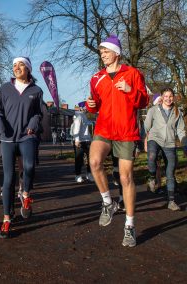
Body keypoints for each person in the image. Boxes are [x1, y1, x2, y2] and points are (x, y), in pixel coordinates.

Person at [86, 35, 149, 247]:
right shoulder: (96, 78)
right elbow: (95, 107)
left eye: (106, 50)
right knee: (94, 162)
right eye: (101, 51)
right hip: (104, 128)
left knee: (126, 178)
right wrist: (91, 105)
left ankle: (129, 226)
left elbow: (144, 101)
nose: (102, 54)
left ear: (117, 52)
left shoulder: (132, 73)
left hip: (126, 131)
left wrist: (130, 91)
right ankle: (107, 202)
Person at [0, 56, 44, 239]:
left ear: (28, 69)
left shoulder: (36, 90)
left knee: (29, 166)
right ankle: (7, 219)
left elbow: (39, 113)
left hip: (27, 136)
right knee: (8, 179)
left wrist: (33, 123)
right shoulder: (5, 88)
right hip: (7, 138)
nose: (16, 67)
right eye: (14, 65)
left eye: (20, 64)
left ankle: (26, 194)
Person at [144, 88, 187, 211]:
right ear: (162, 97)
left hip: (169, 143)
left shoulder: (177, 111)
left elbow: (180, 130)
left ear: (174, 97)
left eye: (171, 96)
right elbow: (147, 126)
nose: (168, 98)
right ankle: (152, 178)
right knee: (152, 156)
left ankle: (171, 201)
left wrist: (185, 145)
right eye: (166, 96)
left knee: (170, 172)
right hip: (155, 138)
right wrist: (146, 140)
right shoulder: (153, 110)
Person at [71, 102, 94, 183]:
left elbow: (87, 130)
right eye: (86, 107)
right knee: (79, 159)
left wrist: (90, 139)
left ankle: (89, 174)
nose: (87, 109)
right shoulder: (79, 116)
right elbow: (76, 129)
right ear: (82, 107)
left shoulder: (85, 116)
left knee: (90, 158)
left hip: (87, 141)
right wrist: (77, 140)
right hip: (80, 141)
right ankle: (78, 175)